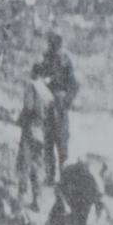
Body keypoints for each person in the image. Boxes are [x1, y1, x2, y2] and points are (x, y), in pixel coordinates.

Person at [30, 32, 77, 180]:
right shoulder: (44, 59)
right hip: (47, 104)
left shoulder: (65, 60)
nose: (52, 46)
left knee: (62, 143)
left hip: (60, 105)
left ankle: (64, 177)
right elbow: (34, 76)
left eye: (55, 43)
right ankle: (50, 176)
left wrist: (67, 101)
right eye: (51, 43)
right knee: (48, 141)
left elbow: (74, 84)